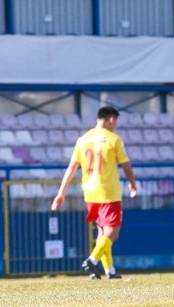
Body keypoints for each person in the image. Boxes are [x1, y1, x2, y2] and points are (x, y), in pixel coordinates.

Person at [51, 106, 137, 280]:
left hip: (90, 192)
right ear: (111, 120)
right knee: (113, 232)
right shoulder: (114, 140)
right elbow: (126, 165)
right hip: (108, 191)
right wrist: (133, 184)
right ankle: (92, 260)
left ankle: (109, 271)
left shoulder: (82, 140)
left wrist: (61, 193)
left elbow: (71, 167)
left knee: (102, 232)